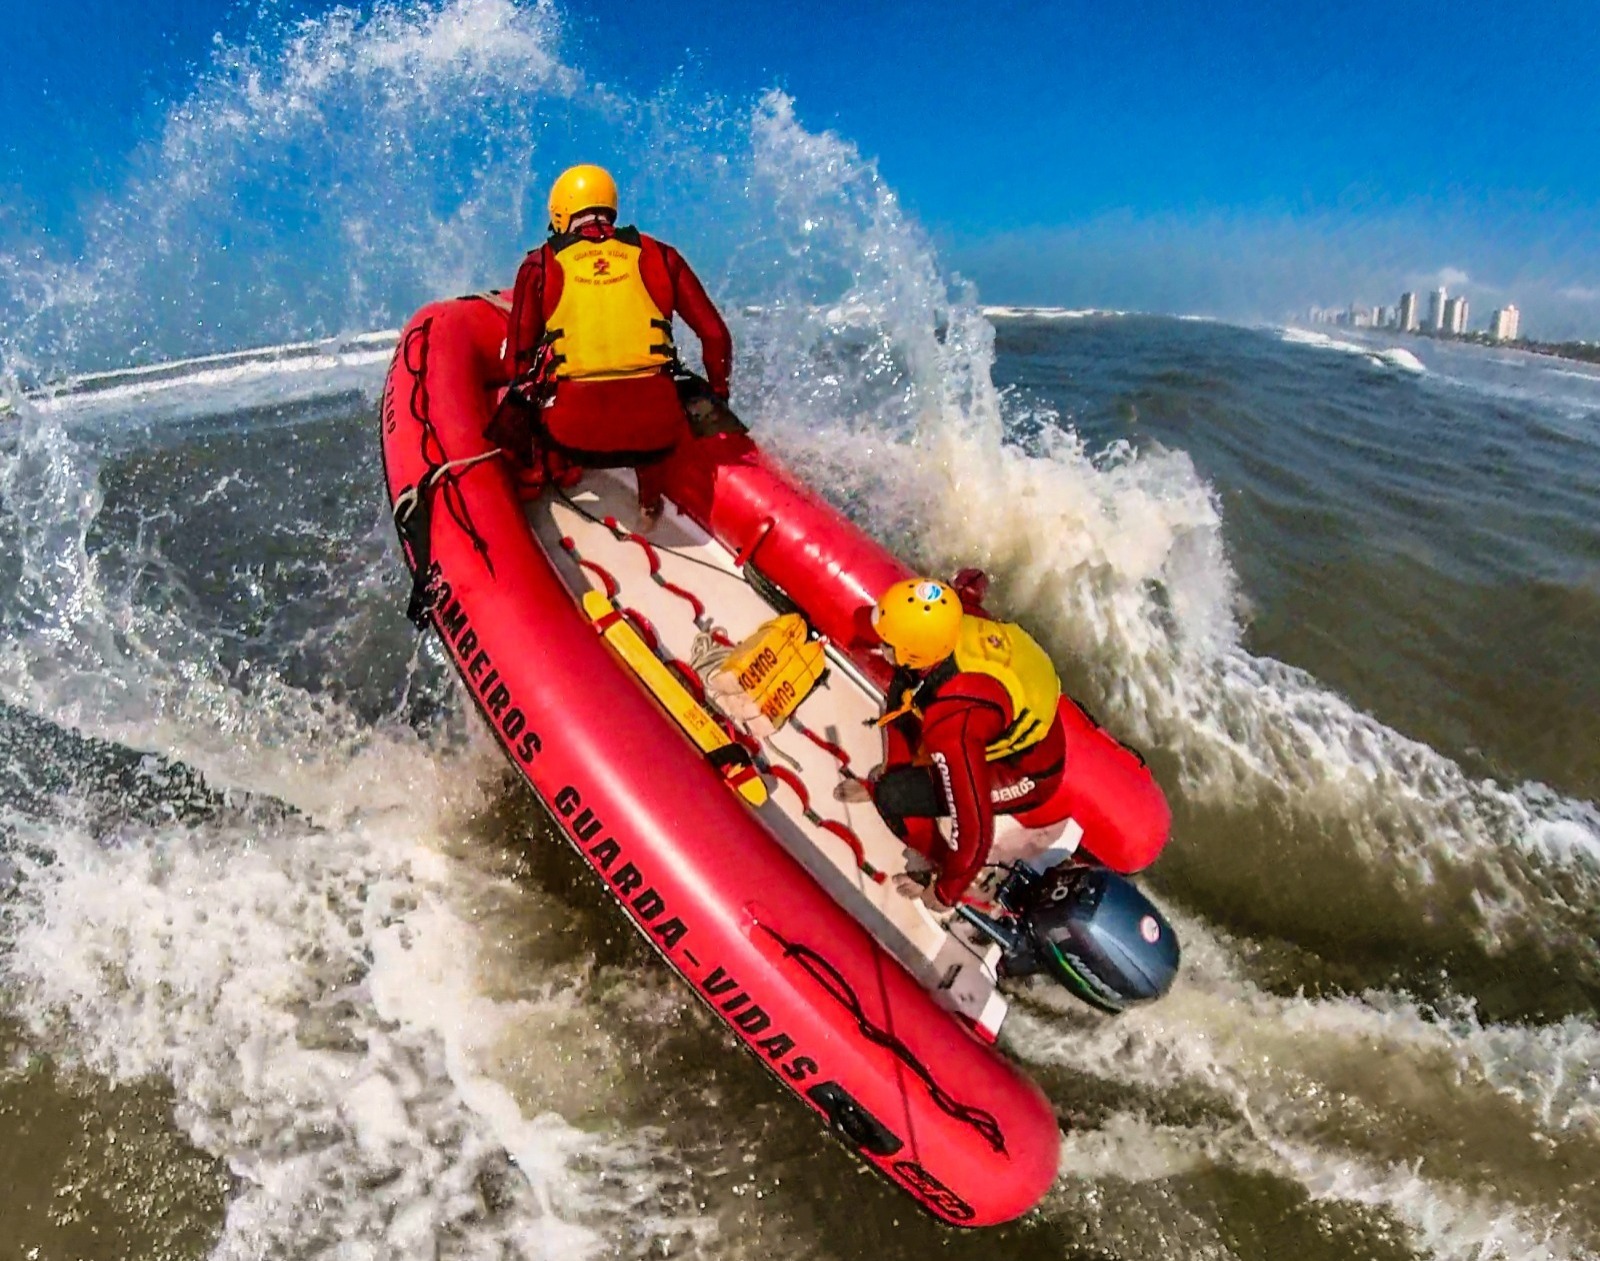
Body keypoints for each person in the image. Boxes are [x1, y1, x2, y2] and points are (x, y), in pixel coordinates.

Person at [500, 164, 733, 523]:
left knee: (530, 384)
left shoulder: (539, 265)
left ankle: (547, 472)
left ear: (560, 212)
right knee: (655, 388)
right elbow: (715, 336)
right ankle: (649, 506)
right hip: (656, 434)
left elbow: (516, 363)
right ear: (611, 207)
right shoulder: (663, 255)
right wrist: (718, 393)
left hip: (571, 434)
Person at [852, 575, 1068, 910]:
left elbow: (975, 832)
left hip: (1025, 772)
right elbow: (971, 583)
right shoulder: (957, 616)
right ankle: (893, 772)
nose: (880, 643)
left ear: (911, 649)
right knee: (901, 692)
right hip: (1009, 719)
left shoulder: (954, 726)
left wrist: (945, 894)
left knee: (893, 795)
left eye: (887, 642)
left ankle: (933, 862)